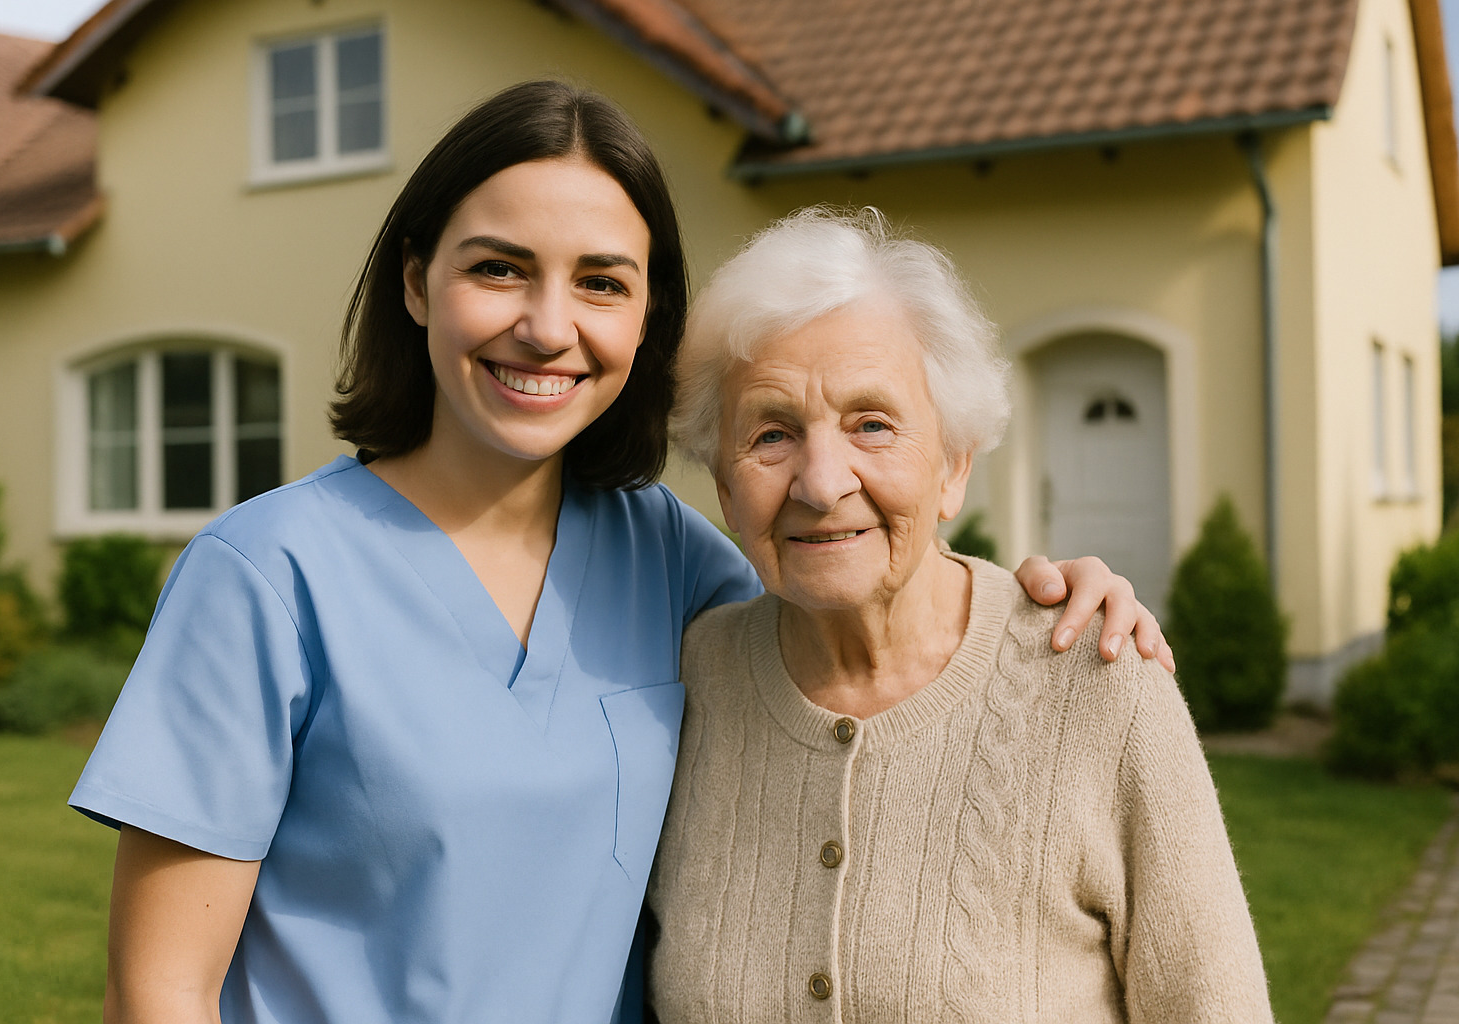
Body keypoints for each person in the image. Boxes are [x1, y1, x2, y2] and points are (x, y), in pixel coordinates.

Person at [70, 83, 1169, 1024]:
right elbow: (159, 993)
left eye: (601, 281)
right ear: (416, 283)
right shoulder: (267, 575)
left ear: (646, 321)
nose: (550, 326)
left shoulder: (680, 565)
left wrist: (1033, 599)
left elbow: (863, 631)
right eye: (500, 269)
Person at [648, 207, 1271, 1022]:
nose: (820, 481)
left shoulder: (1099, 683)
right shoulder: (688, 682)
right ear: (726, 489)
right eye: (771, 434)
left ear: (953, 467)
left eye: (872, 423)